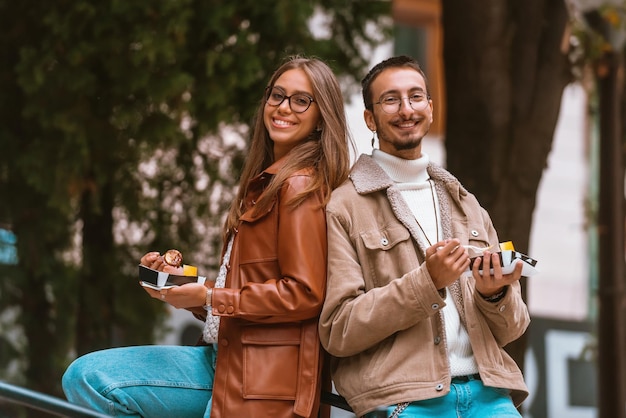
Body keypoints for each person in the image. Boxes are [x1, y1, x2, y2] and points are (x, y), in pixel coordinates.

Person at [62, 56, 353, 418]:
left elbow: (305, 293)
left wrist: (212, 296)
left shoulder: (298, 185)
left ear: (320, 117)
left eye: (300, 100)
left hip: (263, 382)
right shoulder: (265, 183)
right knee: (89, 376)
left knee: (92, 378)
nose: (283, 108)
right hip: (227, 359)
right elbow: (249, 293)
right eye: (277, 95)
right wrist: (187, 292)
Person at [318, 55, 530, 418]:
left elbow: (513, 327)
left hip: (490, 393)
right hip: (406, 399)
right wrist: (427, 282)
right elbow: (338, 329)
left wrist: (494, 293)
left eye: (416, 97)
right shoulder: (344, 206)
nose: (406, 109)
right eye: (391, 100)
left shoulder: (466, 204)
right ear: (370, 117)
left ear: (430, 109)